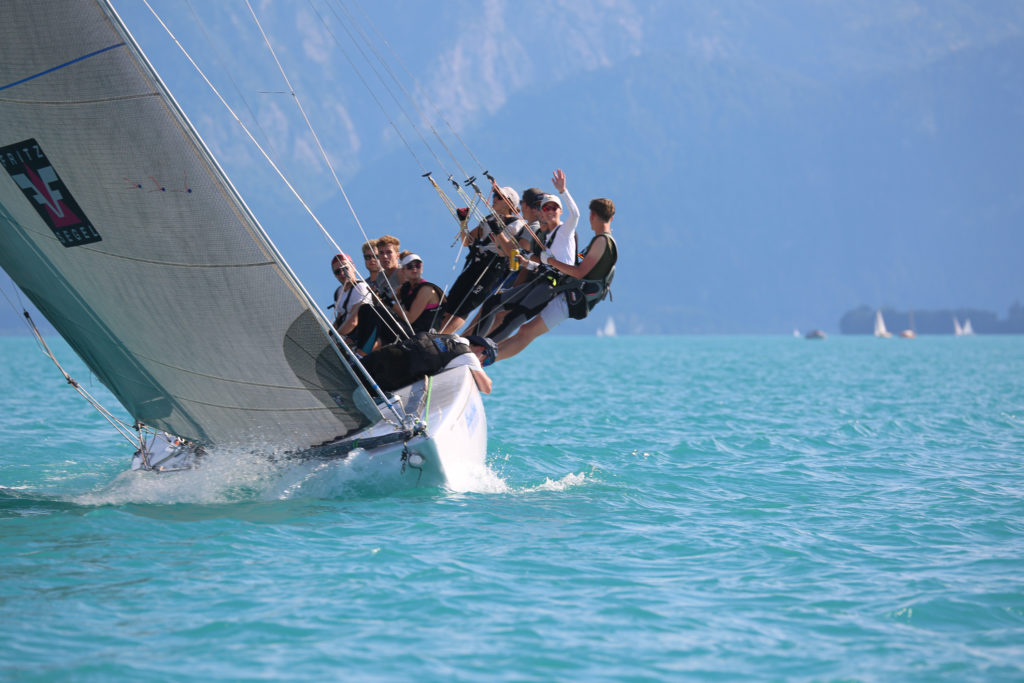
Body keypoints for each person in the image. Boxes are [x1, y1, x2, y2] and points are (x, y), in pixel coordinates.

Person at [496, 197, 617, 361]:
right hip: (571, 296)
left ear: (592, 216)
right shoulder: (605, 241)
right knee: (526, 330)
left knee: (527, 332)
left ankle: (484, 359)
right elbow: (579, 263)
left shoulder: (602, 240)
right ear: (611, 217)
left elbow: (579, 272)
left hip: (572, 300)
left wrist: (549, 260)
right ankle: (486, 356)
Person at [477, 170, 581, 342]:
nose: (550, 211)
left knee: (513, 318)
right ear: (541, 212)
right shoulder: (546, 237)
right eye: (546, 208)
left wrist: (563, 191)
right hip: (540, 280)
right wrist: (526, 262)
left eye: (554, 207)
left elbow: (576, 214)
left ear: (560, 210)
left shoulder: (565, 231)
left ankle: (483, 349)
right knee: (492, 304)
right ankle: (476, 342)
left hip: (550, 287)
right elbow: (545, 265)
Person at [438, 186, 526, 334]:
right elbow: (467, 241)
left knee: (466, 306)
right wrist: (463, 222)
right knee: (451, 302)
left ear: (508, 202)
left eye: (498, 196)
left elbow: (506, 252)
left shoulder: (518, 225)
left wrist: (498, 231)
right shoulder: (488, 219)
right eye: (495, 195)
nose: (494, 199)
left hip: (491, 270)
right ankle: (435, 333)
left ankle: (441, 336)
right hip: (475, 265)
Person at [359, 331, 497, 394]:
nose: (481, 364)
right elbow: (487, 388)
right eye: (484, 362)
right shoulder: (469, 356)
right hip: (396, 372)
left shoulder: (448, 336)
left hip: (383, 355)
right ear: (482, 350)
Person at [395, 253, 444, 333]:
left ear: (422, 268)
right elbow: (393, 298)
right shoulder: (405, 288)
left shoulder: (426, 289)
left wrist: (390, 303)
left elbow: (410, 318)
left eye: (418, 265)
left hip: (426, 336)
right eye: (410, 266)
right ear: (403, 271)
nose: (414, 269)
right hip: (413, 332)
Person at [329, 252, 371, 336]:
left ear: (353, 267)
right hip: (344, 334)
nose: (342, 273)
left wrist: (336, 337)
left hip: (359, 334)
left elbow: (353, 322)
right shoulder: (339, 292)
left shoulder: (360, 288)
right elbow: (339, 318)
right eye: (337, 272)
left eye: (345, 268)